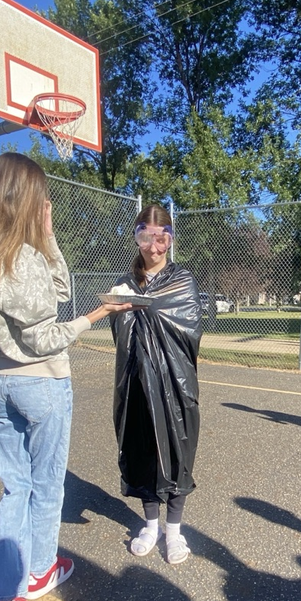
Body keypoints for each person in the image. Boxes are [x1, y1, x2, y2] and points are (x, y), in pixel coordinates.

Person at [0, 153, 132, 601]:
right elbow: (46, 333)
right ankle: (25, 580)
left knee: (17, 486)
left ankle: (4, 590)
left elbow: (55, 292)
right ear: (26, 197)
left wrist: (46, 235)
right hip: (39, 381)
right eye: (40, 196)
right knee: (47, 484)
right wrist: (97, 316)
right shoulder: (22, 258)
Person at [109, 205, 202, 565]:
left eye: (161, 237)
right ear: (136, 238)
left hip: (174, 381)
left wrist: (149, 311)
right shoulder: (126, 284)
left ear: (170, 239)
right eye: (145, 237)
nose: (154, 246)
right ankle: (151, 526)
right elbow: (120, 335)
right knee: (142, 448)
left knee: (178, 449)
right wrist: (123, 309)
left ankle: (174, 530)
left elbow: (189, 329)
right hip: (136, 380)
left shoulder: (182, 280)